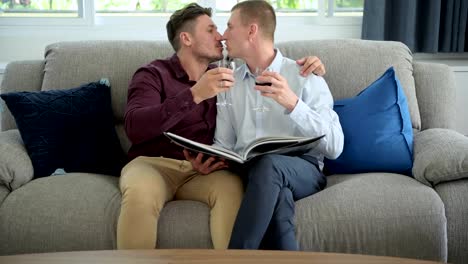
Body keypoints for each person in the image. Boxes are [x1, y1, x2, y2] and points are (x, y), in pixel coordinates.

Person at [117, 2, 327, 250]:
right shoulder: (153, 74)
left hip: (203, 171)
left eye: (223, 28)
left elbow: (264, 59)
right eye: (211, 30)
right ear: (186, 38)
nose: (221, 36)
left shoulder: (227, 74)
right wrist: (194, 94)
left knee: (232, 190)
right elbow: (135, 127)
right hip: (154, 164)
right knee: (141, 194)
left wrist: (313, 64)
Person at [185, 0, 344, 250]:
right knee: (277, 198)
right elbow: (225, 144)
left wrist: (292, 103)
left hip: (303, 170)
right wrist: (208, 162)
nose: (223, 35)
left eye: (229, 26)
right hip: (253, 173)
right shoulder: (229, 83)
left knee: (269, 166)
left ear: (252, 31)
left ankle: (235, 257)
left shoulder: (304, 75)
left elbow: (335, 146)